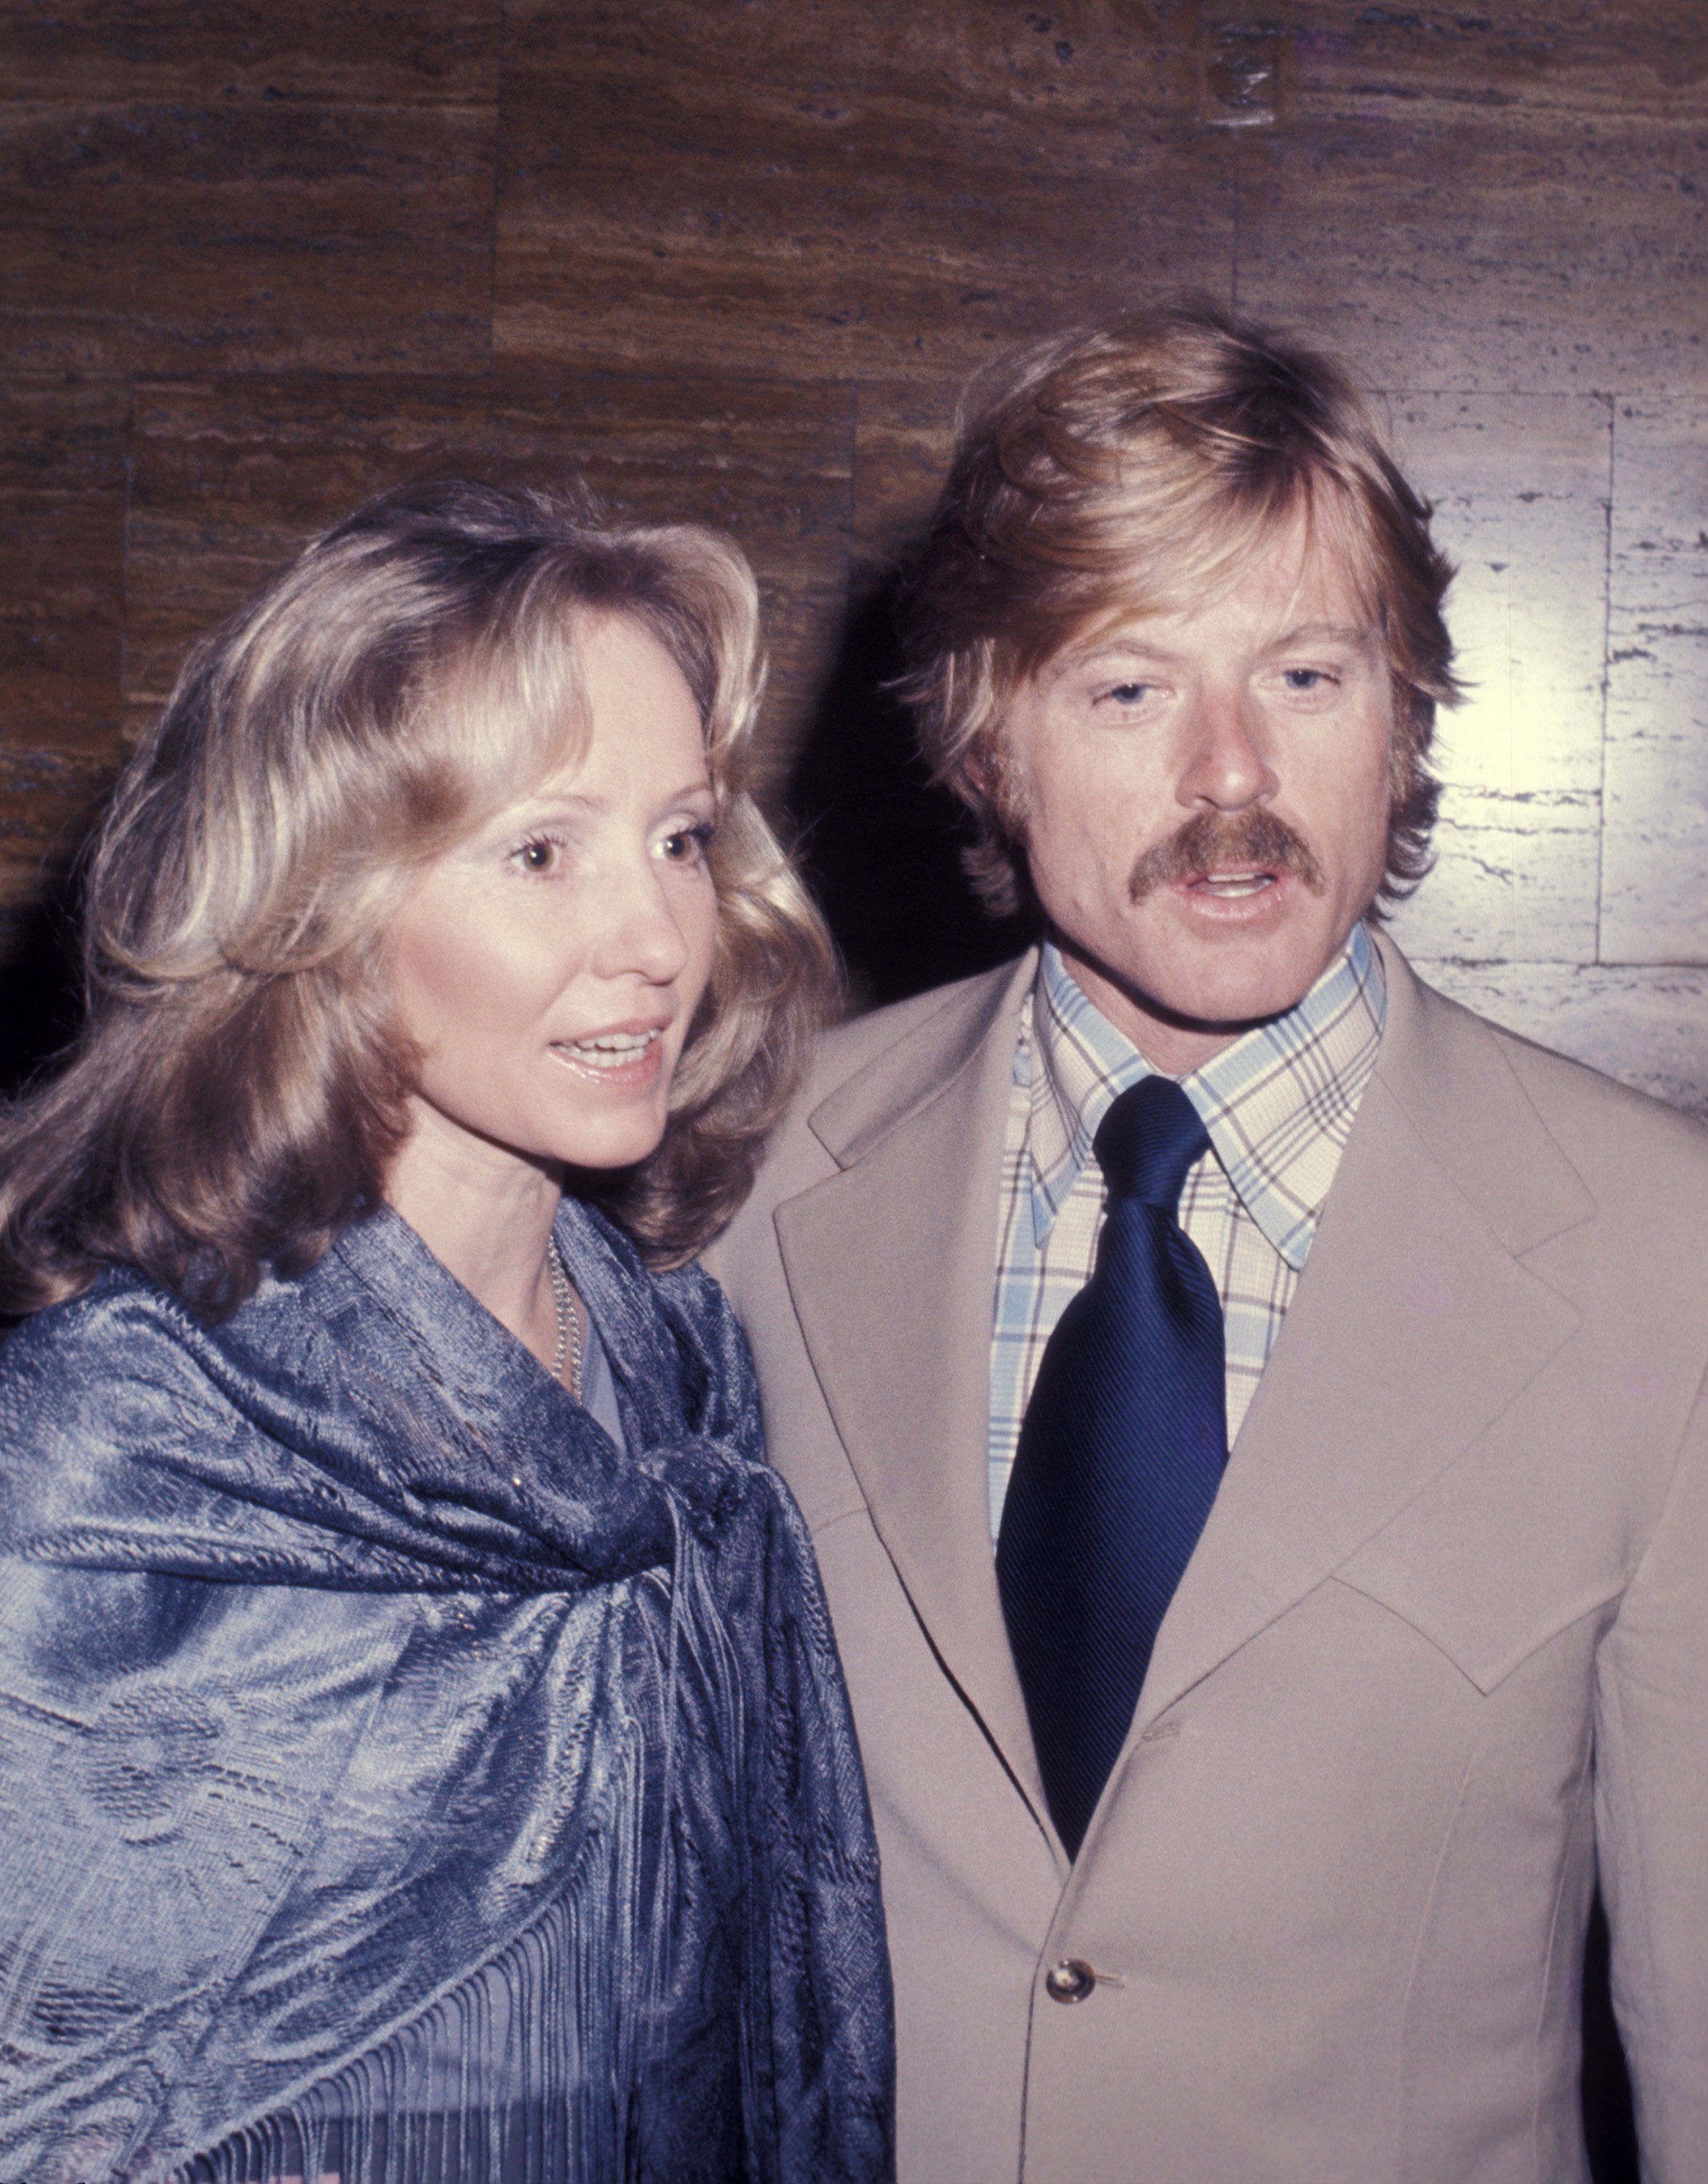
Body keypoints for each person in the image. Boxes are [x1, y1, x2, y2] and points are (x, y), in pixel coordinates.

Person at [711, 306, 1708, 2181]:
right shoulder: (740, 1191)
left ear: (1405, 713)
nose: (1232, 778)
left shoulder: (1671, 1262)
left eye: (1309, 676)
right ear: (984, 739)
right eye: (1128, 688)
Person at [0, 480, 894, 2184]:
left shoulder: (675, 1374)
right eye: (542, 852)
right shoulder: (95, 1459)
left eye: (682, 838)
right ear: (322, 896)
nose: (655, 941)